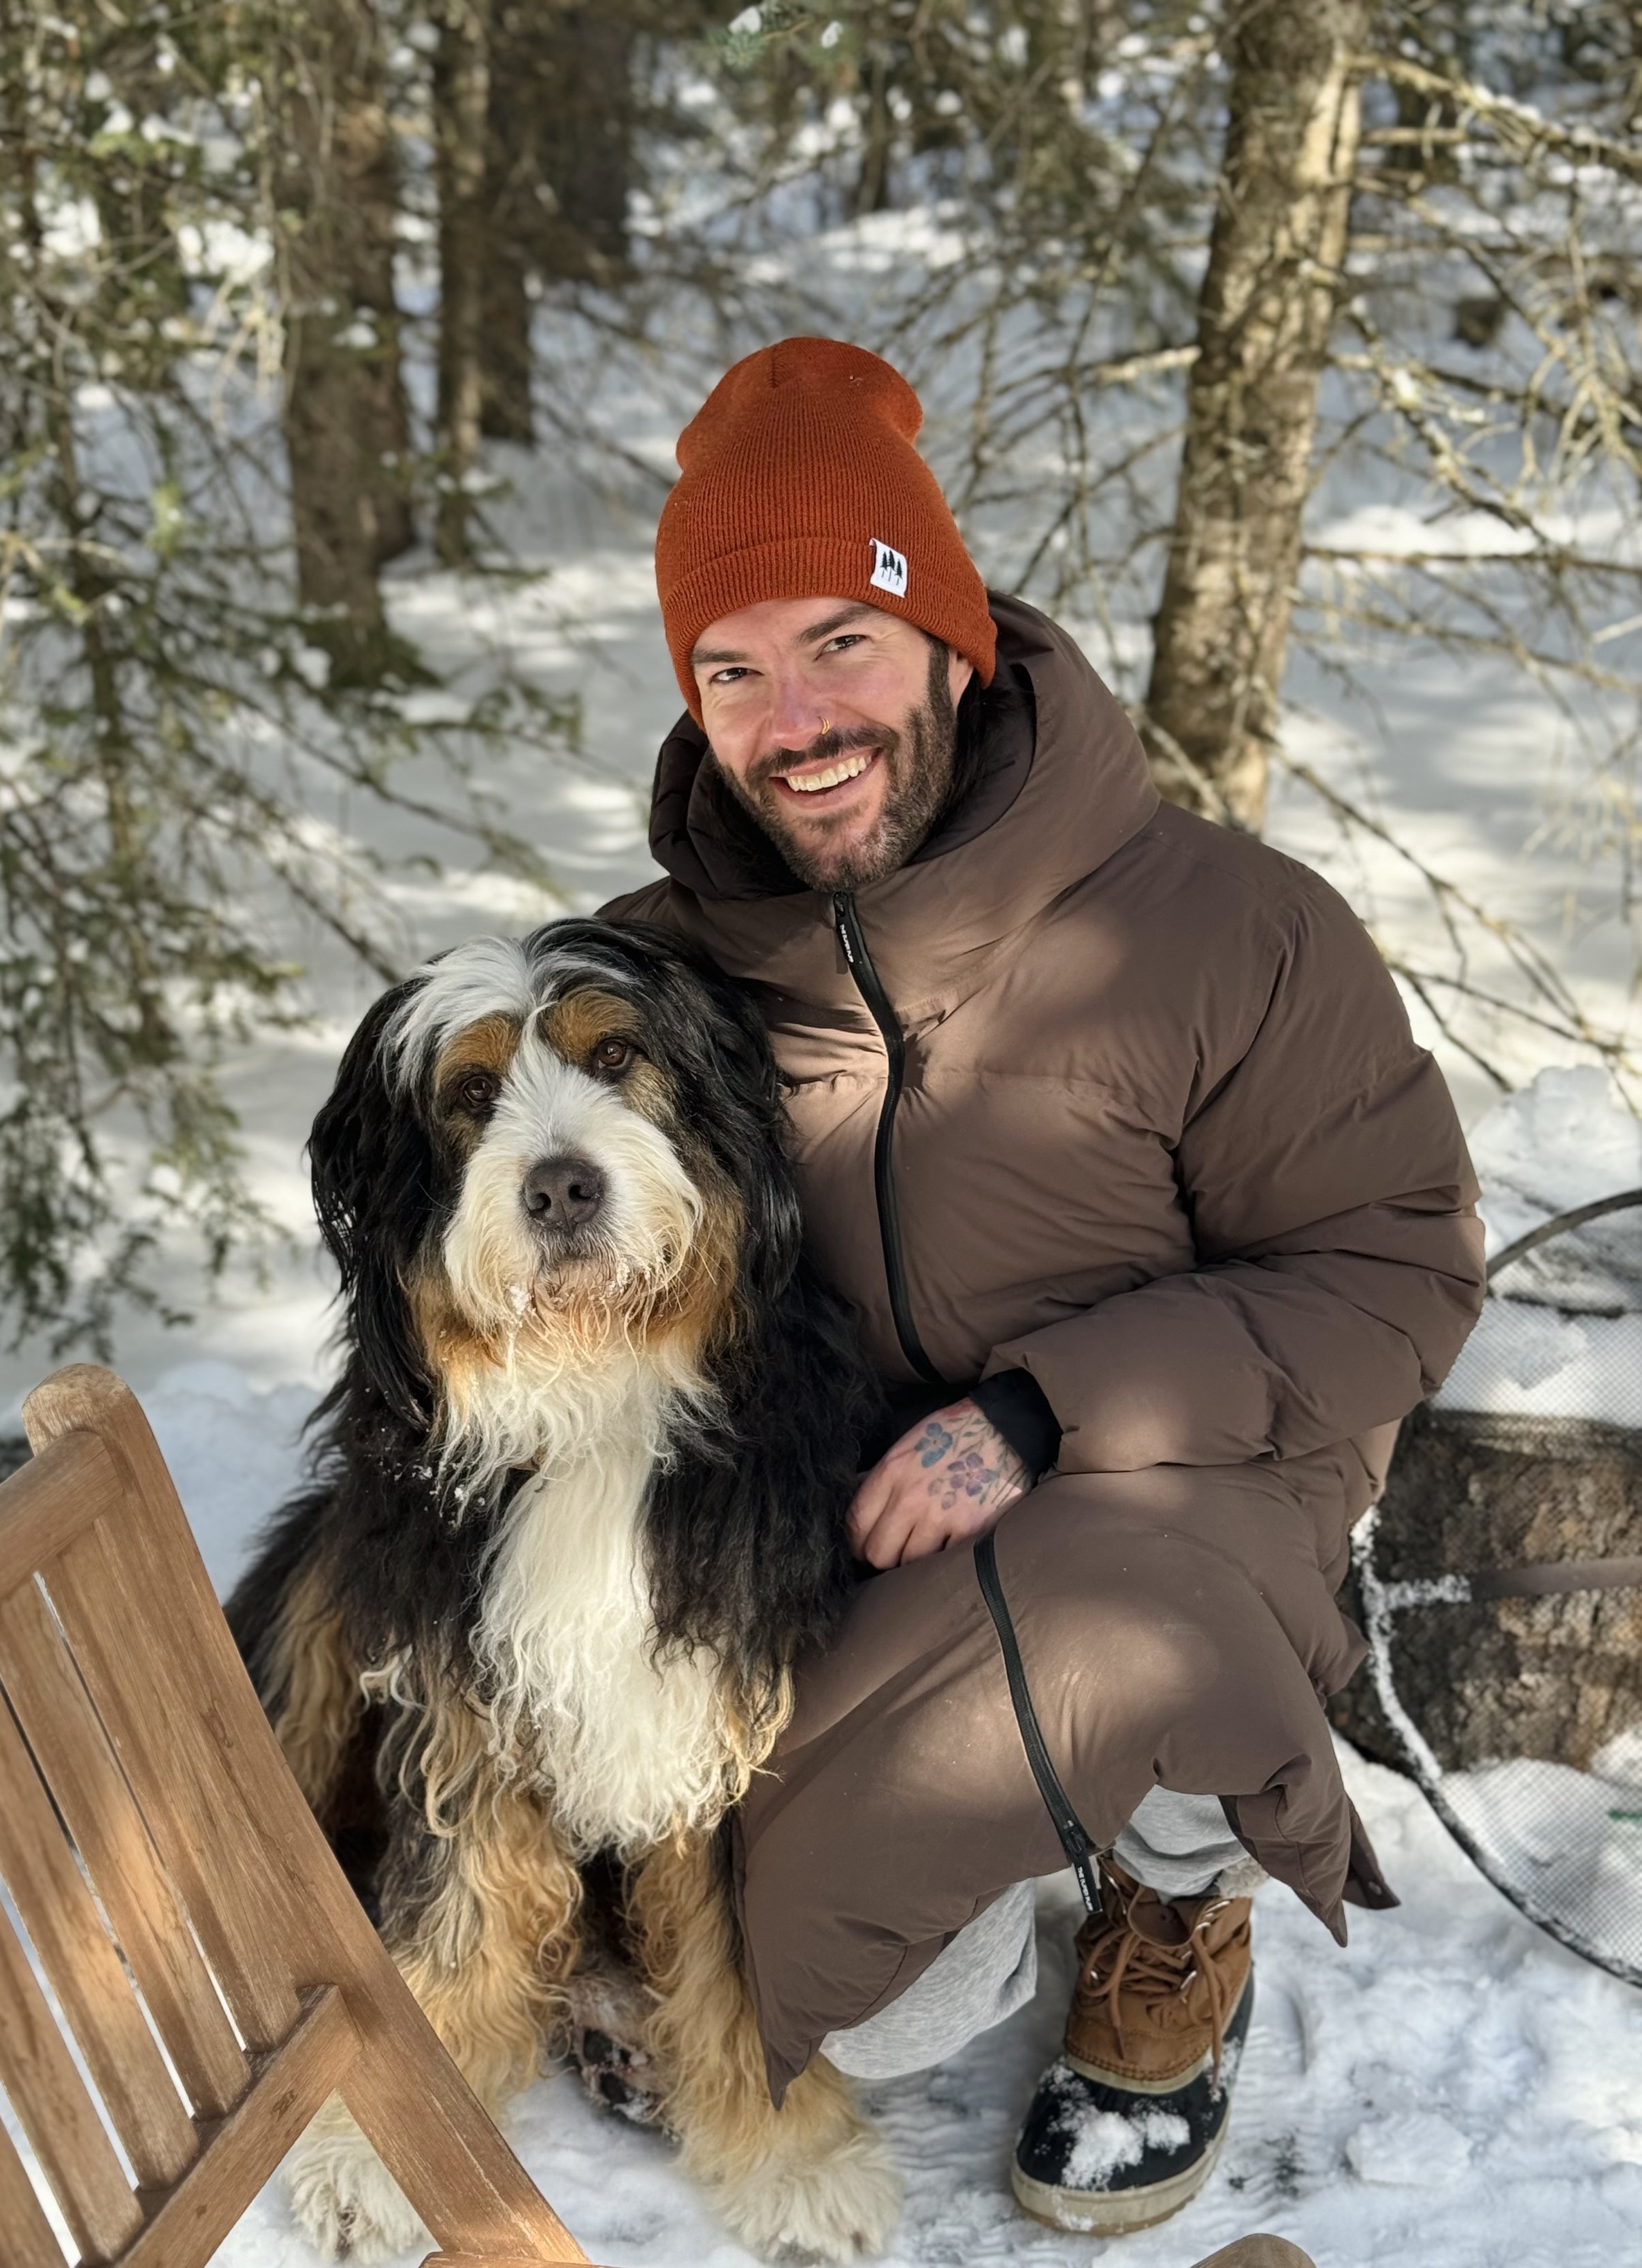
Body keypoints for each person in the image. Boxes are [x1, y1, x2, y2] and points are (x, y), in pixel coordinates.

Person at [601, 335, 1483, 2236]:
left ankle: (1174, 1901)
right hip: (854, 1513)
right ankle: (1011, 1869)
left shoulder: (1225, 924)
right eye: (730, 670)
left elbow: (1394, 1265)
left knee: (1138, 1637)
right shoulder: (657, 971)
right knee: (894, 2016)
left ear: (951, 639)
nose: (792, 719)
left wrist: (1038, 1411)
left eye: (840, 638)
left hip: (1193, 1474)